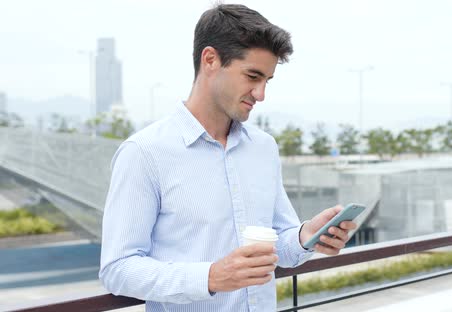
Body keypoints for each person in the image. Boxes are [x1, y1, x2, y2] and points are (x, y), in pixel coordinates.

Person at [99, 3, 357, 312]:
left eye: (267, 81)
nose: (260, 94)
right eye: (252, 76)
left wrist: (306, 235)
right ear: (210, 60)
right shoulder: (143, 153)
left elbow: (280, 248)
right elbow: (117, 269)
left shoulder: (264, 148)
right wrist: (210, 277)